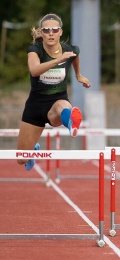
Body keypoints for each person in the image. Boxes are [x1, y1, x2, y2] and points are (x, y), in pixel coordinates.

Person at [17, 13, 90, 170]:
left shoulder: (69, 50)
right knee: (21, 159)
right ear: (42, 32)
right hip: (35, 106)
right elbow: (34, 70)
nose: (51, 33)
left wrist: (78, 75)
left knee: (63, 106)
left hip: (56, 101)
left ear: (60, 32)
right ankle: (32, 150)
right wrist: (58, 60)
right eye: (47, 30)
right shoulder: (35, 50)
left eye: (55, 30)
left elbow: (75, 55)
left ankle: (71, 122)